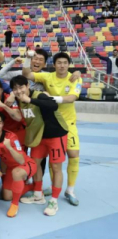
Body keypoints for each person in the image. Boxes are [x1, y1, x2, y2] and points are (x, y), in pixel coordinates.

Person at [22, 52, 82, 206]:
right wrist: (28, 57)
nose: (62, 65)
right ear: (54, 65)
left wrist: (49, 100)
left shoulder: (75, 77)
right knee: (53, 161)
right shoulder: (48, 77)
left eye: (65, 63)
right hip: (50, 125)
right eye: (59, 63)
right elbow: (27, 74)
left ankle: (70, 189)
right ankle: (51, 187)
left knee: (74, 155)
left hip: (68, 125)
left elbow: (72, 98)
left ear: (68, 64)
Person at [11, 75, 68, 216]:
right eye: (15, 89)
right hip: (39, 137)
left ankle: (54, 200)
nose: (19, 91)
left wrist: (30, 100)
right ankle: (38, 194)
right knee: (35, 164)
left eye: (21, 87)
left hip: (56, 135)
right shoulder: (19, 101)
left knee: (56, 167)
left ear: (28, 86)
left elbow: (53, 105)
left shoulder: (39, 95)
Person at [0, 111, 37, 218]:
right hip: (9, 168)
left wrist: (9, 147)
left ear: (3, 124)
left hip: (26, 164)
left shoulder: (12, 137)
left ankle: (15, 205)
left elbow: (21, 160)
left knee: (16, 172)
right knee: (7, 196)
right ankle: (30, 187)